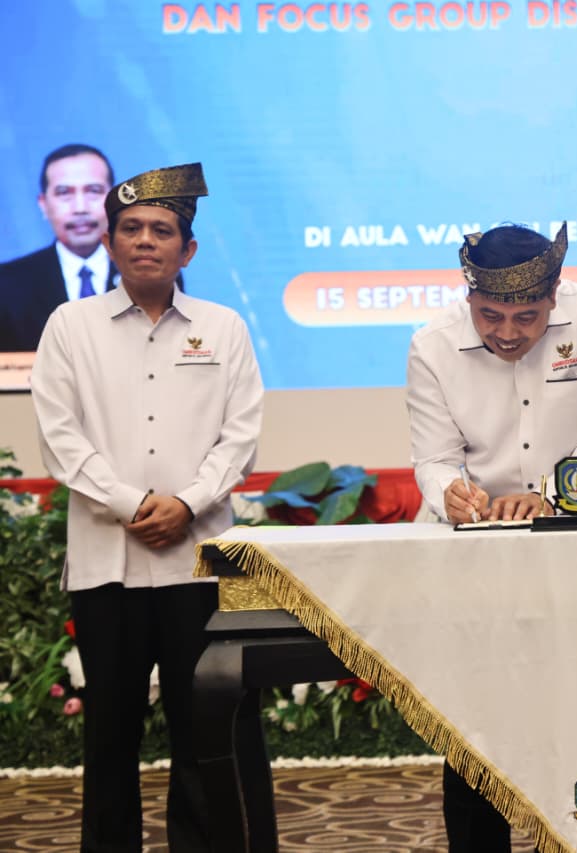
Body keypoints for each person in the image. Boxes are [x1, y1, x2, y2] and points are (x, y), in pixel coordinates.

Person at [29, 162, 264, 851]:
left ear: (188, 250)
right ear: (109, 243)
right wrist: (134, 504)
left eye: (161, 231)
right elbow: (60, 438)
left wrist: (187, 503)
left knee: (206, 731)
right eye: (130, 228)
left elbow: (241, 437)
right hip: (109, 564)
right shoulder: (70, 325)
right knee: (110, 735)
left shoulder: (224, 327)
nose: (144, 241)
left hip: (197, 562)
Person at [406, 222, 577, 847]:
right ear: (470, 298)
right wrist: (452, 494)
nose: (507, 333)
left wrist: (552, 495)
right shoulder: (431, 345)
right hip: (477, 556)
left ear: (554, 294)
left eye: (526, 317)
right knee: (476, 725)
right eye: (489, 316)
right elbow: (434, 459)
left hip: (576, 550)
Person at [0, 144, 116, 352]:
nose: (80, 208)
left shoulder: (155, 278)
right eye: (64, 193)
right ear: (43, 205)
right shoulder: (7, 285)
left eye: (93, 191)